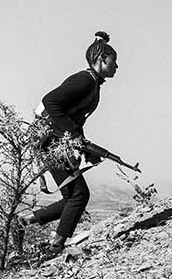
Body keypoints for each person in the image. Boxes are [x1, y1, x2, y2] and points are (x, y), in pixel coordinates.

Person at [20, 31, 120, 257]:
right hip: (49, 142)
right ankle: (56, 245)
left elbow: (71, 117)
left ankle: (25, 222)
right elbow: (51, 102)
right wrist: (74, 136)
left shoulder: (92, 82)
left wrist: (82, 145)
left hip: (53, 141)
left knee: (73, 196)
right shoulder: (85, 80)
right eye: (114, 60)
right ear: (102, 58)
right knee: (78, 195)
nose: (117, 66)